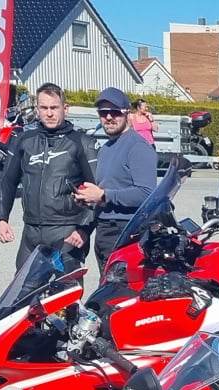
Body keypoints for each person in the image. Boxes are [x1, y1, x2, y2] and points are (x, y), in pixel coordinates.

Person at [0, 83, 97, 267]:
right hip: (31, 232)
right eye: (44, 108)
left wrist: (84, 229)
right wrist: (1, 219)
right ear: (37, 110)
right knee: (23, 286)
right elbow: (7, 182)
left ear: (65, 109)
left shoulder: (82, 142)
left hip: (67, 232)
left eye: (54, 108)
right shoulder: (24, 140)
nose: (49, 113)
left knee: (64, 286)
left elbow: (97, 192)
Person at [79, 86, 157, 267]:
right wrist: (88, 198)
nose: (108, 117)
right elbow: (107, 190)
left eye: (115, 112)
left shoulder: (138, 147)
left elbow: (147, 194)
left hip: (126, 232)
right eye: (103, 112)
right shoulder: (106, 148)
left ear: (127, 113)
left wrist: (103, 195)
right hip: (105, 231)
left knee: (121, 285)